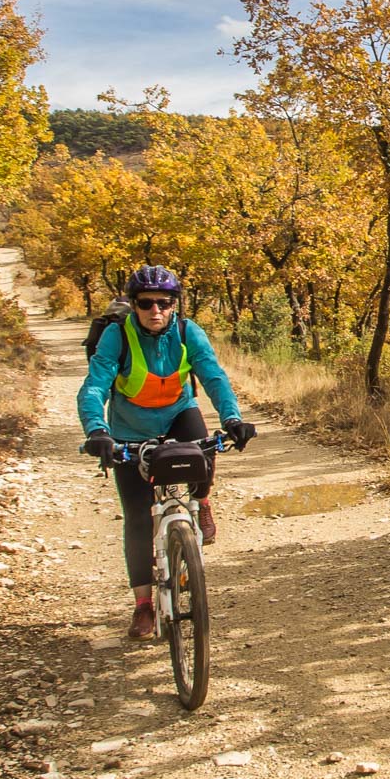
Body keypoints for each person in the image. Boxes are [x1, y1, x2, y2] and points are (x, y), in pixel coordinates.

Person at [78, 266, 256, 639]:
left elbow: (213, 376)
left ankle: (201, 502)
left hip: (178, 414)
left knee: (205, 452)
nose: (155, 310)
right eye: (146, 303)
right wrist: (97, 431)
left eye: (164, 302)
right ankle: (143, 605)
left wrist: (233, 418)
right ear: (134, 304)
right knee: (139, 517)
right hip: (129, 429)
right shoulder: (117, 337)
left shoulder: (188, 332)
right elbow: (95, 386)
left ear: (175, 304)